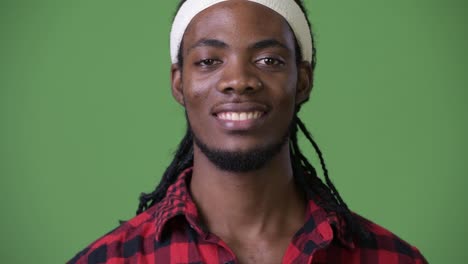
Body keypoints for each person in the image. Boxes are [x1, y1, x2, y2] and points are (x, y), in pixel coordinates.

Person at [68, 0, 428, 263]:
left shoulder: (392, 258)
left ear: (302, 81)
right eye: (209, 61)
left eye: (269, 60)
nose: (238, 81)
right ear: (179, 84)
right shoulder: (109, 260)